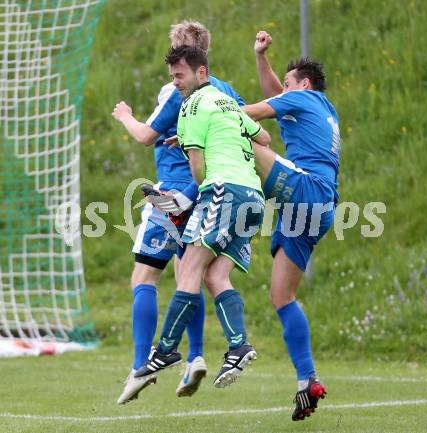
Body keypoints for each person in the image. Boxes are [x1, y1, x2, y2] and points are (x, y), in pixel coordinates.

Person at [111, 21, 244, 404]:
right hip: (209, 195)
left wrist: (124, 115)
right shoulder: (225, 90)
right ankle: (197, 354)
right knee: (191, 274)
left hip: (172, 196)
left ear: (183, 58)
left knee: (145, 276)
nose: (174, 71)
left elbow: (144, 135)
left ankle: (141, 365)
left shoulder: (175, 92)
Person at [134, 45, 270, 389]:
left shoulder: (192, 105)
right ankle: (238, 346)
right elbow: (265, 138)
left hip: (223, 191)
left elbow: (197, 168)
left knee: (188, 268)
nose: (176, 83)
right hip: (252, 196)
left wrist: (204, 185)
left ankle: (166, 350)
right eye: (173, 77)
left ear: (202, 73)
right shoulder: (227, 104)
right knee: (215, 275)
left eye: (180, 75)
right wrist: (215, 136)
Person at [241, 31, 341, 421]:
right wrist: (261, 58)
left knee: (243, 142)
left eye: (287, 83)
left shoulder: (302, 97)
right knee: (281, 297)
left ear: (304, 84)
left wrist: (210, 108)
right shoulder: (318, 105)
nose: (282, 89)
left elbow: (260, 109)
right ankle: (307, 380)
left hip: (307, 189)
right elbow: (276, 96)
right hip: (318, 207)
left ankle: (206, 203)